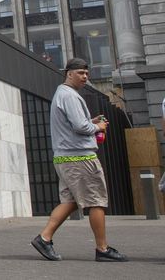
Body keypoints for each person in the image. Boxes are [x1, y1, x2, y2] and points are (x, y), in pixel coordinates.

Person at [31, 58, 128, 262]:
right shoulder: (69, 96)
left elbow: (76, 124)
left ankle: (44, 238)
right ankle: (102, 249)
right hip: (80, 157)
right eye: (81, 73)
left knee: (70, 201)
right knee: (96, 202)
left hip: (65, 157)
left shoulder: (62, 94)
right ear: (69, 73)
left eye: (86, 73)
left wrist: (89, 122)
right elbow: (80, 128)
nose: (85, 77)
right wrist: (97, 127)